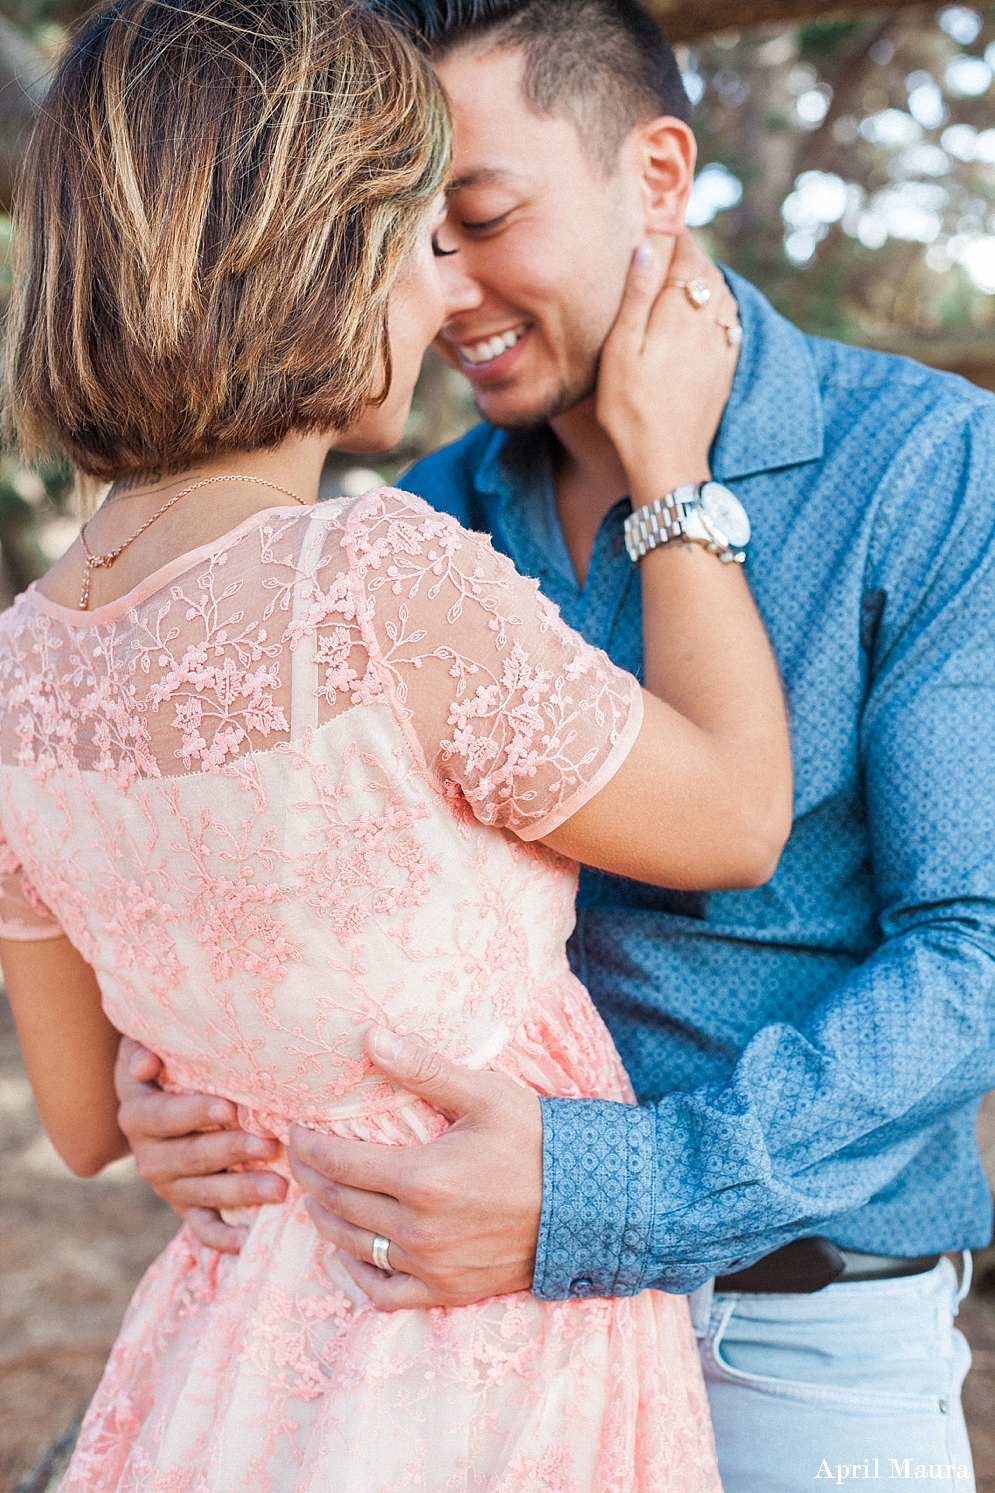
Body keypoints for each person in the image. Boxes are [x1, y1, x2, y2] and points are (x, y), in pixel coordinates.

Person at [119, 0, 995, 1488]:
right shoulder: (404, 533)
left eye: (480, 215)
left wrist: (610, 1189)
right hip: (437, 1350)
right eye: (404, 234)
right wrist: (189, 1071)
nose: (441, 287)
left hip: (783, 1356)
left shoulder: (922, 463)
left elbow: (974, 949)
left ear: (657, 175)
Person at [0, 0, 793, 1487]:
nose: (443, 297)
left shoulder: (20, 674)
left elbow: (84, 1115)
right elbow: (742, 816)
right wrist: (674, 473)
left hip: (236, 1362)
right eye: (419, 241)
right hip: (477, 1368)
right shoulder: (370, 585)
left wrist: (199, 1088)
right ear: (318, 259)